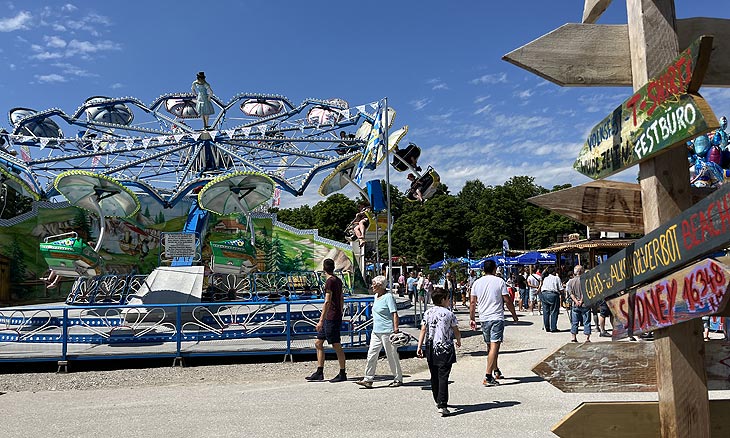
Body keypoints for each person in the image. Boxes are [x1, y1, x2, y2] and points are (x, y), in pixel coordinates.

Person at [469, 259, 518, 387]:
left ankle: (495, 369)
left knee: (490, 346)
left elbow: (473, 302)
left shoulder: (476, 283)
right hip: (496, 317)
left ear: (483, 270)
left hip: (484, 318)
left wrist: (472, 318)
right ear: (495, 269)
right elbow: (507, 300)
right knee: (495, 346)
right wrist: (514, 315)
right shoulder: (499, 281)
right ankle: (488, 376)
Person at [417, 287, 461, 417]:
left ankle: (437, 399)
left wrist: (419, 346)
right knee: (443, 375)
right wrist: (458, 340)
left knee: (434, 374)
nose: (449, 301)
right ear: (442, 300)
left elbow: (423, 329)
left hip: (431, 346)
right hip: (445, 347)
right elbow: (455, 329)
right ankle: (442, 404)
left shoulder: (428, 312)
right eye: (447, 299)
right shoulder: (449, 314)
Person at [355, 275, 403, 388]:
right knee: (371, 354)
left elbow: (394, 313)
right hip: (376, 331)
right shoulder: (376, 296)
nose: (372, 286)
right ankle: (368, 378)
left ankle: (398, 378)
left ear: (380, 285)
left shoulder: (388, 297)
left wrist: (396, 329)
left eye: (374, 284)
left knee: (391, 355)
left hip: (387, 331)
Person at [306, 258, 347, 382]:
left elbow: (327, 301)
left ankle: (342, 372)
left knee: (336, 344)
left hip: (331, 317)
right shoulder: (338, 280)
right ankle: (319, 371)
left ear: (323, 268)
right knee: (318, 343)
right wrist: (341, 311)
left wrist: (321, 320)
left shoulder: (329, 282)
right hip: (334, 315)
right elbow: (341, 298)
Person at [566, 265, 591, 343]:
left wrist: (576, 301)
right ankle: (587, 338)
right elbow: (585, 292)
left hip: (575, 304)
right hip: (585, 304)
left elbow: (571, 293)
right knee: (586, 321)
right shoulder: (585, 281)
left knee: (574, 321)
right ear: (582, 271)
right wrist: (581, 300)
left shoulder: (570, 281)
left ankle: (573, 337)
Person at [539, 266, 563, 333]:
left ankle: (547, 327)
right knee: (554, 311)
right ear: (554, 272)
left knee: (546, 311)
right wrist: (562, 294)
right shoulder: (556, 278)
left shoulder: (545, 278)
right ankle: (553, 327)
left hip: (544, 294)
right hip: (553, 294)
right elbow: (560, 288)